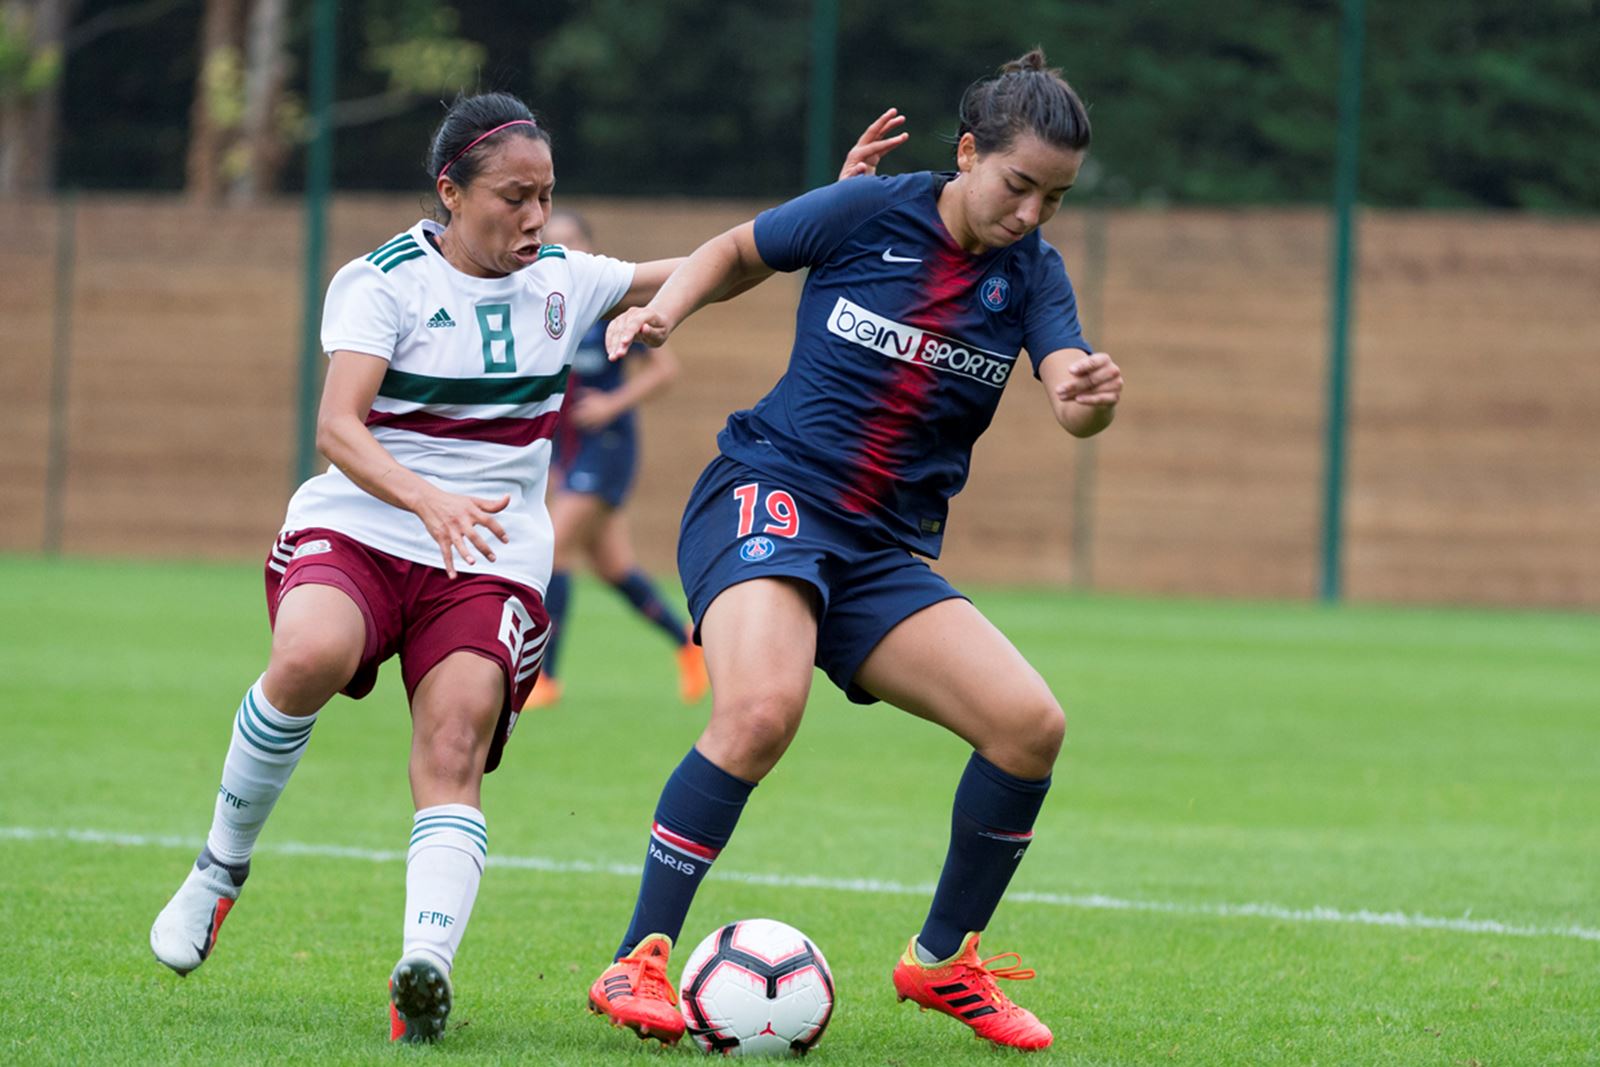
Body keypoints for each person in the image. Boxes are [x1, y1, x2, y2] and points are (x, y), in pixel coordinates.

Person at [146, 91, 907, 1045]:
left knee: (455, 743)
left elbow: (712, 270)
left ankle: (424, 965)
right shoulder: (379, 282)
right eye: (515, 196)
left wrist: (821, 212)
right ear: (451, 192)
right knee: (306, 656)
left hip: (492, 558)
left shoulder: (566, 279)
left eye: (547, 196)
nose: (537, 218)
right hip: (367, 526)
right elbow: (337, 427)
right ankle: (220, 869)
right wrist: (427, 499)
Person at [585, 50, 1123, 1053]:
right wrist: (664, 309)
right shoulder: (866, 212)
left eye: (1054, 197)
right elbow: (735, 250)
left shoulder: (1032, 272)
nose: (1032, 213)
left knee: (1027, 725)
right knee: (756, 710)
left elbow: (1063, 389)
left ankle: (941, 958)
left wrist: (1084, 401)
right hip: (769, 493)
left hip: (881, 550)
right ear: (968, 154)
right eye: (1018, 186)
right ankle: (640, 954)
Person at [521, 209, 708, 711]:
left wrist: (611, 404)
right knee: (612, 567)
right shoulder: (548, 310)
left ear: (588, 246)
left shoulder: (605, 305)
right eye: (552, 241)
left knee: (553, 551)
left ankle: (545, 679)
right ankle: (688, 644)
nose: (562, 249)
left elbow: (664, 369)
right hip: (574, 451)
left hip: (609, 448)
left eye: (571, 240)